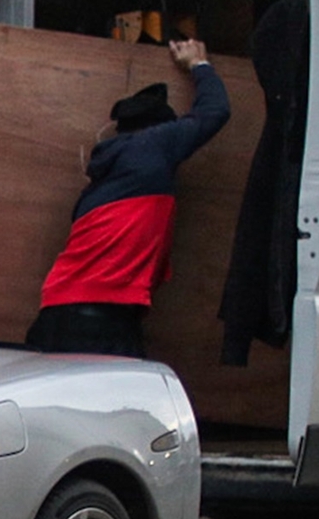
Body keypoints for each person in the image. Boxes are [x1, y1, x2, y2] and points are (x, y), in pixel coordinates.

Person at [27, 37, 230, 358]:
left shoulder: (105, 178)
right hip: (101, 323)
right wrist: (198, 66)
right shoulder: (154, 145)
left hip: (58, 314)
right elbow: (215, 111)